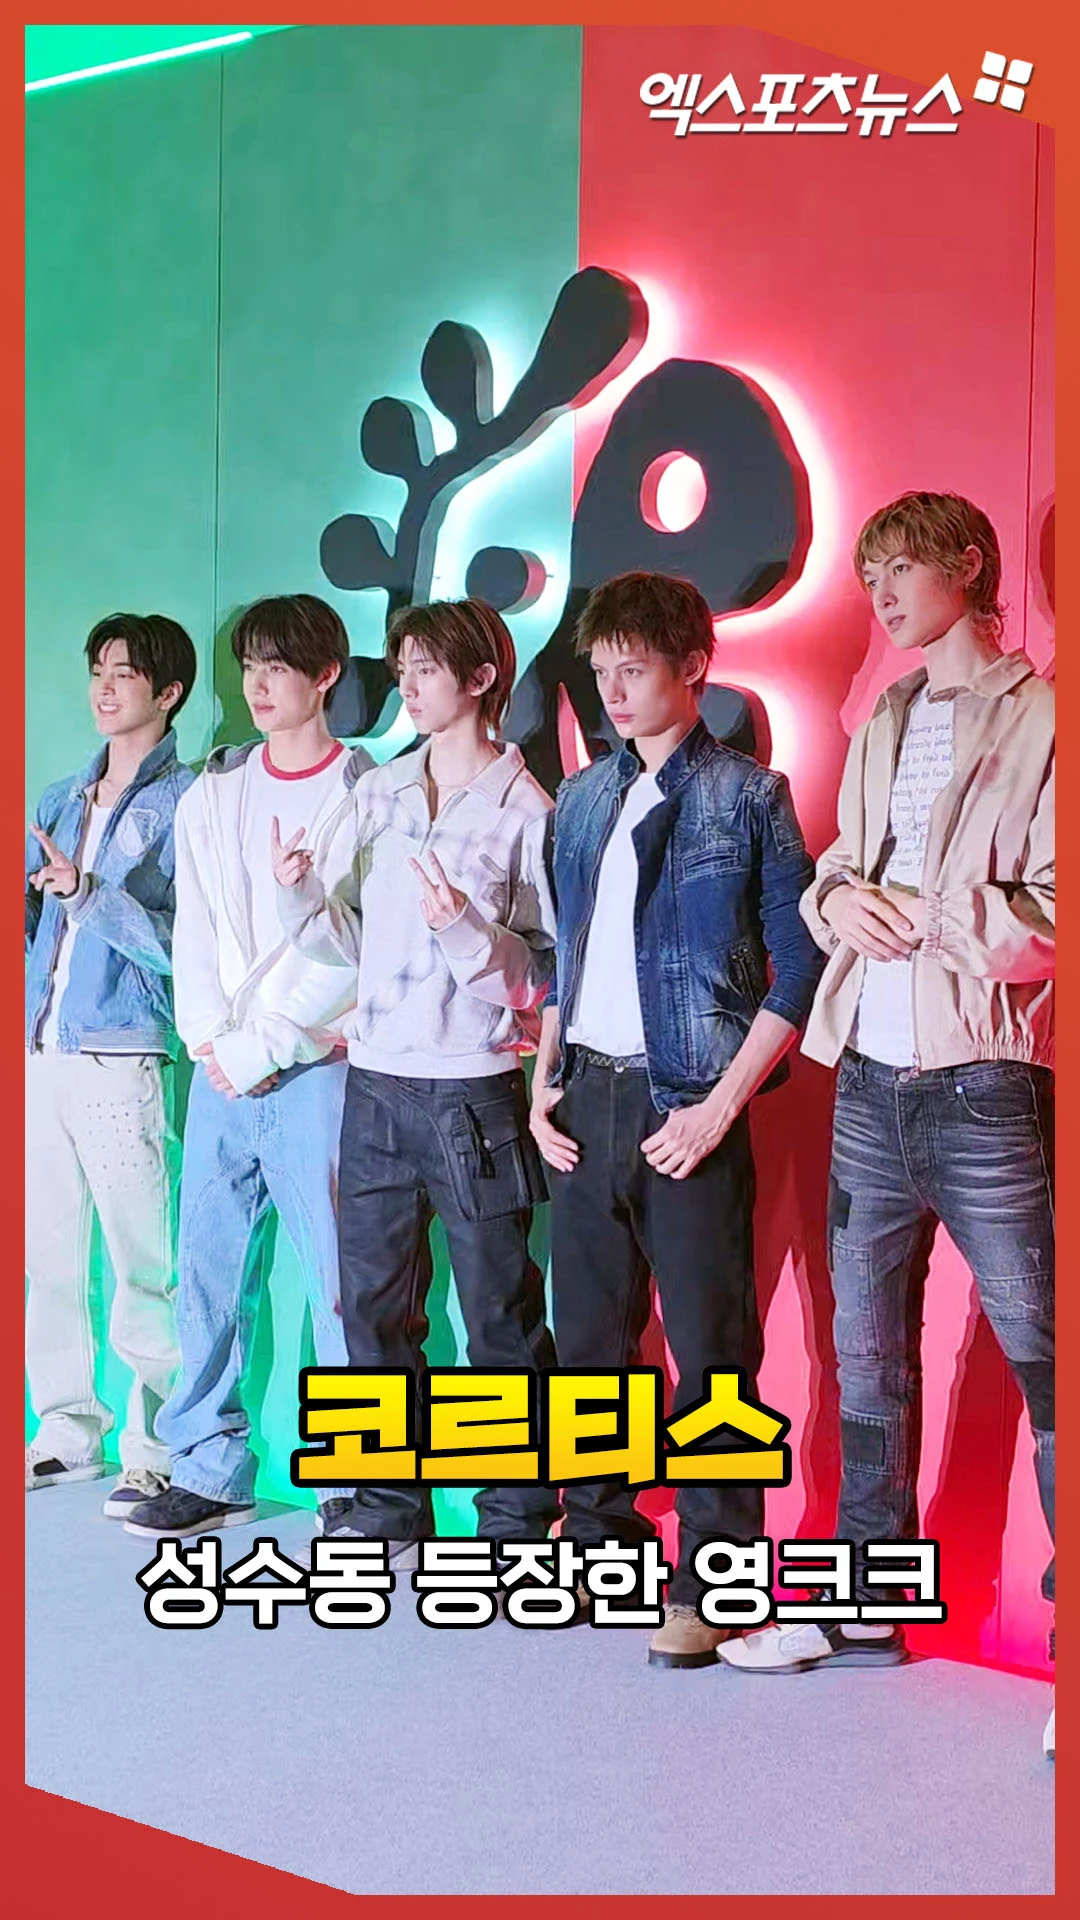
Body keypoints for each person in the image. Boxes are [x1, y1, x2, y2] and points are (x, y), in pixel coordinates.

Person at [719, 493, 1054, 1711]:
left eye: (901, 570)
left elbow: (1053, 913)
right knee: (867, 1366)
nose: (884, 598)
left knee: (1047, 1359)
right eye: (870, 580)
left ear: (969, 565)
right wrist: (834, 904)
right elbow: (834, 875)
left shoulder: (1044, 715)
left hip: (983, 1081)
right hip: (865, 1073)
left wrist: (928, 917)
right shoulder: (884, 718)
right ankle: (864, 1609)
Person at [530, 570, 824, 1666]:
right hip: (584, 1098)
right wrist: (542, 1082)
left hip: (688, 1101)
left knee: (712, 1355)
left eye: (635, 668)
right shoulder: (580, 799)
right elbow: (564, 957)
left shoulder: (749, 795)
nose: (613, 690)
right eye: (601, 670)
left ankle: (719, 1584)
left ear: (693, 667)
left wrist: (718, 1108)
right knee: (588, 1350)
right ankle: (598, 1546)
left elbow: (799, 969)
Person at [274, 598, 557, 1568]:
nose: (408, 683)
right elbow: (351, 944)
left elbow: (542, 974)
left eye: (426, 668)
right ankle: (388, 1502)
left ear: (480, 678)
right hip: (376, 1083)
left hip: (473, 1088)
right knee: (371, 1305)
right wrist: (302, 898)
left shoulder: (529, 809)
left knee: (497, 1314)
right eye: (402, 668)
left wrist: (464, 933)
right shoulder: (383, 790)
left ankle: (517, 1518)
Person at [125, 595, 372, 1538]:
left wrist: (263, 1046)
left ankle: (356, 1481)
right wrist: (211, 1042)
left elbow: (355, 951)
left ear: (325, 675)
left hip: (318, 1066)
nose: (260, 686)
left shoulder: (368, 792)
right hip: (220, 1065)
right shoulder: (214, 795)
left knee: (340, 1280)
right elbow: (193, 933)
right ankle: (208, 1466)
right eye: (251, 667)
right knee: (208, 1269)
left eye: (278, 667)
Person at [25, 612, 197, 1515]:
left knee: (144, 1266)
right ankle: (64, 1431)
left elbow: (185, 948)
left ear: (168, 693)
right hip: (43, 1052)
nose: (104, 686)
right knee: (49, 1262)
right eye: (98, 669)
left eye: (124, 673)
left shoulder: (188, 803)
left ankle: (158, 1447)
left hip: (123, 1056)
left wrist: (87, 895)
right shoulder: (60, 799)